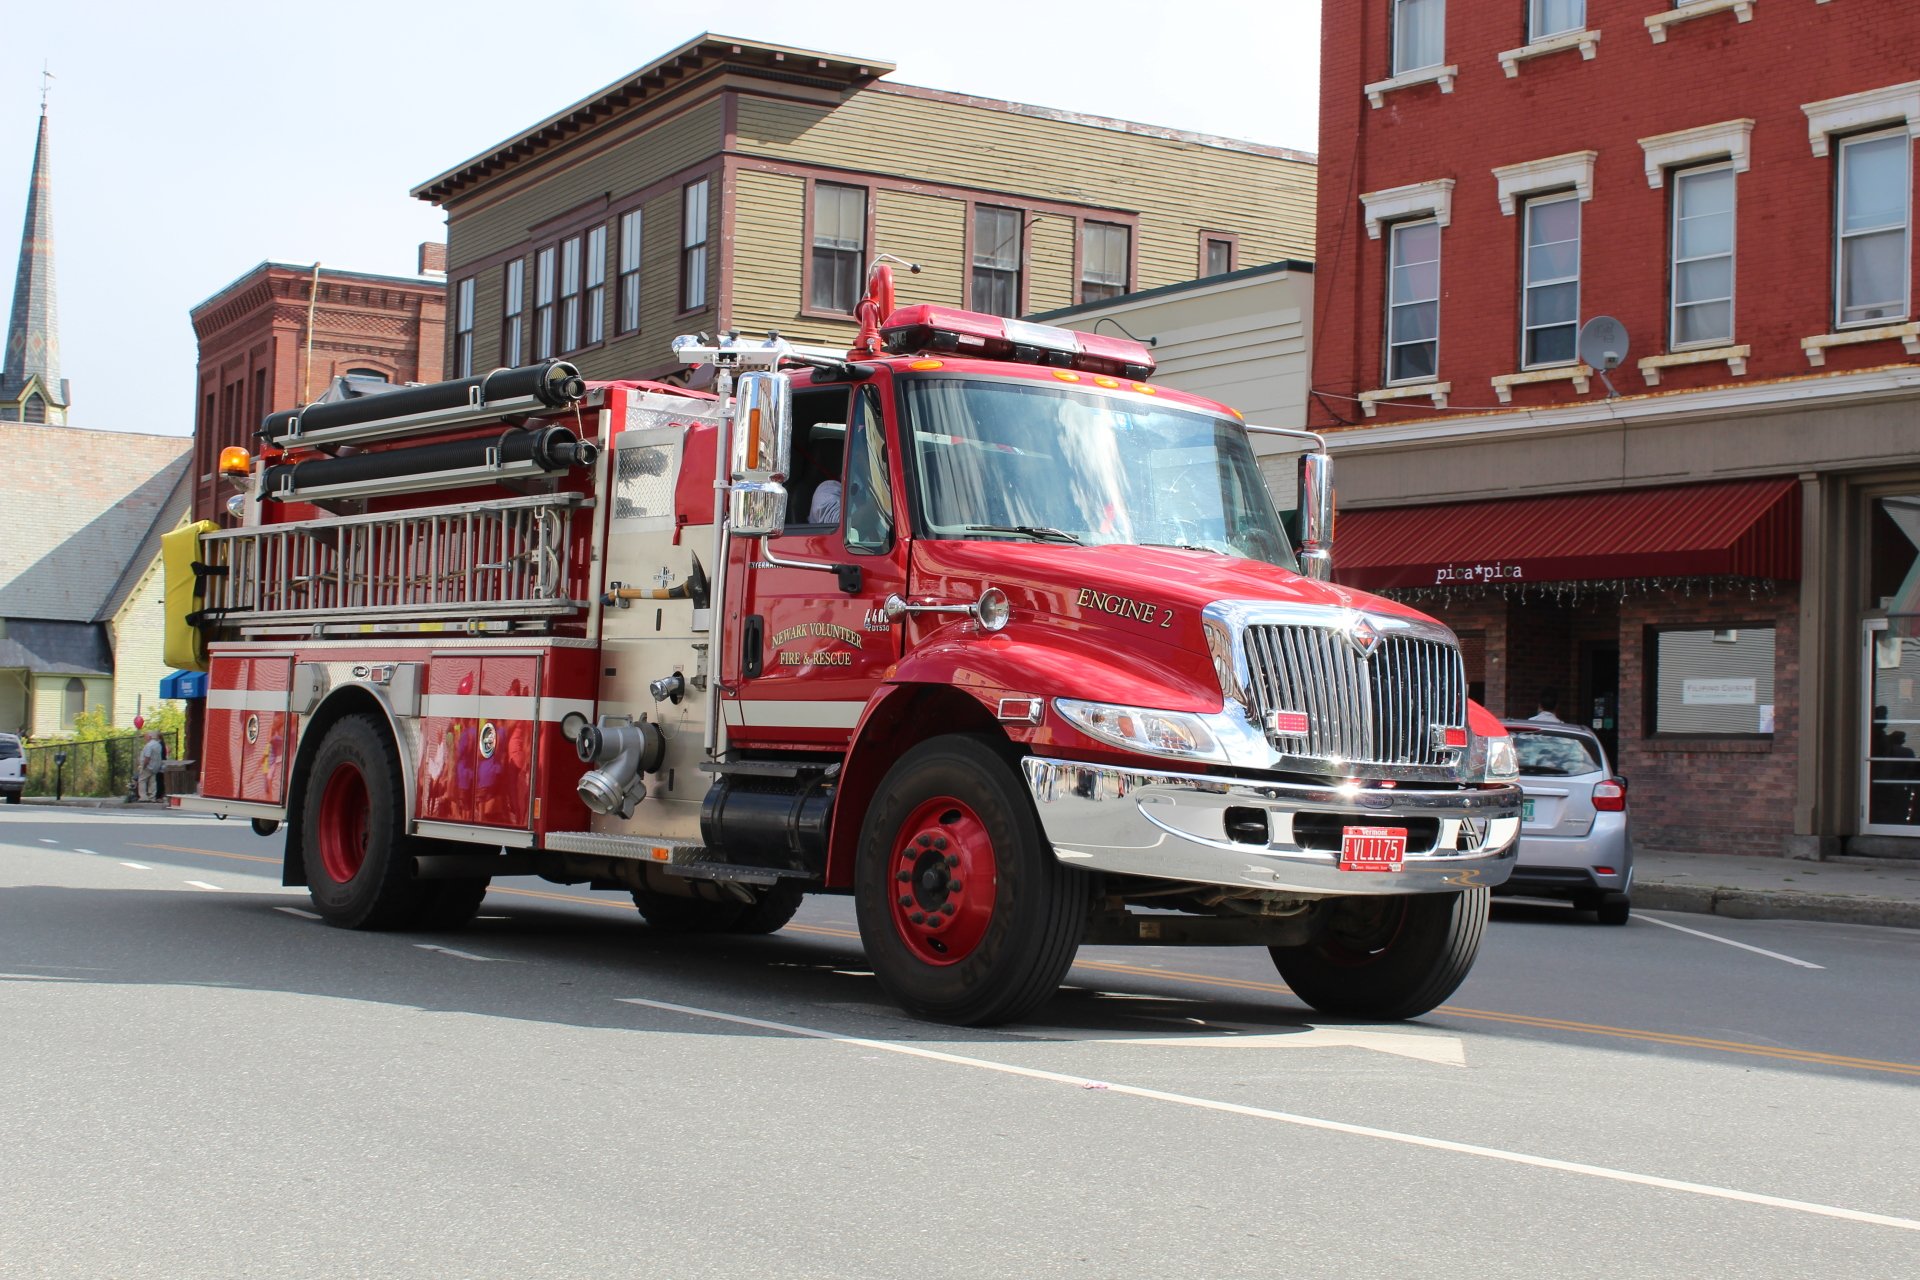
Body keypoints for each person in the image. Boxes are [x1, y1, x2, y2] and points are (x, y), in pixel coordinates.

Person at [136, 732, 163, 802]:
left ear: (150, 737)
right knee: (153, 782)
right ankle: (152, 797)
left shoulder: (149, 745)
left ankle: (143, 797)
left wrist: (143, 766)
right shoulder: (158, 745)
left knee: (142, 780)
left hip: (148, 766)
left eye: (146, 737)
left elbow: (147, 757)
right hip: (155, 766)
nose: (144, 738)